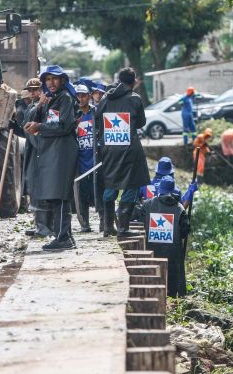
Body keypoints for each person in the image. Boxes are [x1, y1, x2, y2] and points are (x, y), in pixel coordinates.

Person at [23, 65, 79, 251]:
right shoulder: (51, 99)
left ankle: (63, 238)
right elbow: (40, 120)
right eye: (47, 79)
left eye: (55, 79)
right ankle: (65, 236)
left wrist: (39, 127)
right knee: (56, 196)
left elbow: (64, 126)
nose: (51, 82)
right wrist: (40, 106)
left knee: (60, 195)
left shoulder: (65, 98)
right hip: (53, 153)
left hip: (63, 153)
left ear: (62, 80)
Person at [95, 67, 151, 236]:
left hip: (109, 149)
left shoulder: (105, 98)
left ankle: (107, 226)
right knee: (132, 185)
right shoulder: (135, 98)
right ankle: (123, 228)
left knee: (111, 184)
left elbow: (98, 119)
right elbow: (141, 122)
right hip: (129, 150)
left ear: (118, 80)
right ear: (133, 82)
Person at [10, 77, 53, 237]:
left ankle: (45, 228)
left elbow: (37, 132)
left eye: (37, 89)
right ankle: (39, 225)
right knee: (33, 189)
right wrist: (16, 128)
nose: (34, 93)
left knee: (40, 189)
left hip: (41, 153)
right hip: (32, 151)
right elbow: (27, 131)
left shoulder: (45, 107)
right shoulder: (31, 106)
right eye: (31, 90)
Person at [136, 176, 190, 297]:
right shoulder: (180, 208)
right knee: (172, 287)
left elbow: (139, 220)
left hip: (151, 252)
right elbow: (185, 231)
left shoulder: (148, 204)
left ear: (159, 189)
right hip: (173, 255)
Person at [73, 84, 95, 232]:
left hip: (95, 161)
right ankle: (84, 224)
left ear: (89, 96)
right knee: (81, 196)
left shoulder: (96, 112)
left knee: (99, 193)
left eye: (84, 95)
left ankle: (104, 224)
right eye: (78, 96)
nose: (81, 98)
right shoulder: (72, 114)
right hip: (79, 161)